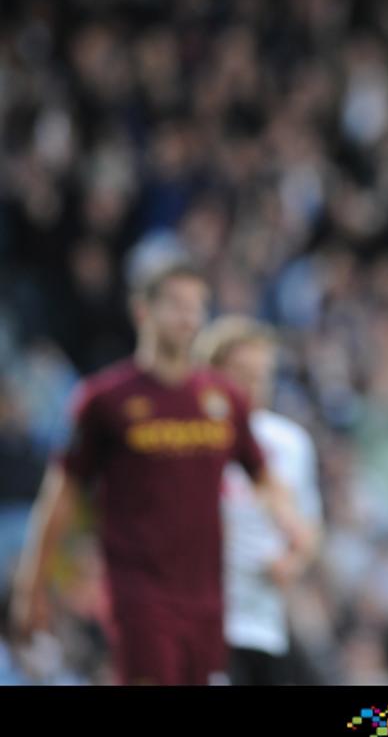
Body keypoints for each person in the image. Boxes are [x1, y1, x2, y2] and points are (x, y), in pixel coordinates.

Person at [9, 262, 314, 685]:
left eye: (197, 307)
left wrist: (292, 528)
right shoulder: (105, 401)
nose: (188, 317)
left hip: (212, 600)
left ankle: (386, 724)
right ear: (142, 312)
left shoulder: (223, 401)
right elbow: (61, 495)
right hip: (141, 595)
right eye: (176, 305)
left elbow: (263, 476)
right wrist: (32, 586)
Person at [195, 316, 324, 686]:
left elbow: (310, 530)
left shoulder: (289, 443)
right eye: (243, 374)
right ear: (212, 374)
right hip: (210, 623)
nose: (255, 386)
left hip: (267, 622)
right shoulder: (191, 441)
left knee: (376, 720)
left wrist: (293, 561)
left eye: (264, 374)